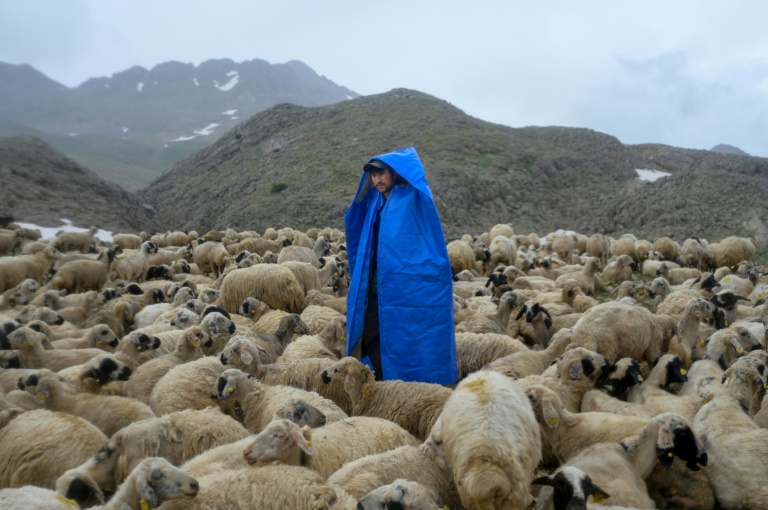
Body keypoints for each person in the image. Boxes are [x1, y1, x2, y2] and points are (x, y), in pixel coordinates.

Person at [345, 147, 458, 385]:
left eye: (381, 174)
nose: (377, 180)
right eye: (373, 176)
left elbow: (420, 244)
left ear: (394, 174)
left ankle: (402, 386)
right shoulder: (374, 205)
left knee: (407, 337)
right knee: (366, 334)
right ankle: (383, 381)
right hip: (376, 286)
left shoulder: (411, 202)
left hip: (405, 288)